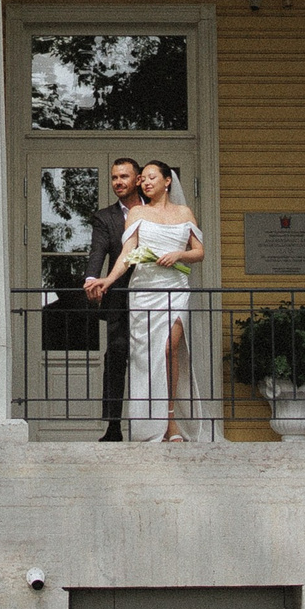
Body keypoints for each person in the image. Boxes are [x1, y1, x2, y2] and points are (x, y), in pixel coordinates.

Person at [98, 159, 206, 443]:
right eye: (142, 179)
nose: (144, 183)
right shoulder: (136, 212)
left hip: (175, 287)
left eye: (151, 178)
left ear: (167, 181)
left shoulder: (184, 212)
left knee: (171, 348)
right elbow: (127, 253)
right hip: (144, 290)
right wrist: (108, 281)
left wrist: (178, 255)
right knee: (147, 358)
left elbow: (199, 252)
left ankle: (171, 419)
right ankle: (155, 423)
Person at [81, 157, 144, 443]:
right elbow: (98, 251)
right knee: (116, 357)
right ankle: (114, 427)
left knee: (155, 358)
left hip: (154, 295)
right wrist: (91, 279)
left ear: (139, 179)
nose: (118, 182)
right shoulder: (105, 217)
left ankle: (158, 425)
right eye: (114, 178)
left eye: (124, 177)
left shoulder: (155, 209)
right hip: (119, 296)